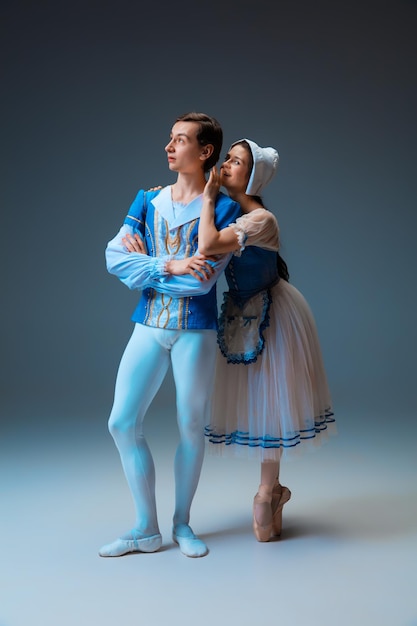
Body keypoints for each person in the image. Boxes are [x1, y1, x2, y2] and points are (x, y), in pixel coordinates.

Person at [100, 112, 241, 558]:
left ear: (205, 152)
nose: (169, 146)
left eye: (180, 140)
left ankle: (182, 523)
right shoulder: (147, 200)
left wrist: (148, 270)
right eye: (170, 138)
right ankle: (145, 527)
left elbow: (201, 283)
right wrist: (170, 265)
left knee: (190, 426)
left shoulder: (223, 209)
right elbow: (112, 258)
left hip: (195, 331)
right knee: (121, 422)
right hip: (148, 325)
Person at [198, 138, 335, 542]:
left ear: (252, 176)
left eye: (236, 162)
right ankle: (267, 495)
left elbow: (207, 244)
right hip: (243, 313)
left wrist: (206, 199)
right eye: (227, 158)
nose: (226, 165)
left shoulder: (261, 219)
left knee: (270, 399)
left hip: (274, 314)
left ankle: (265, 494)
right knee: (261, 397)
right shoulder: (231, 212)